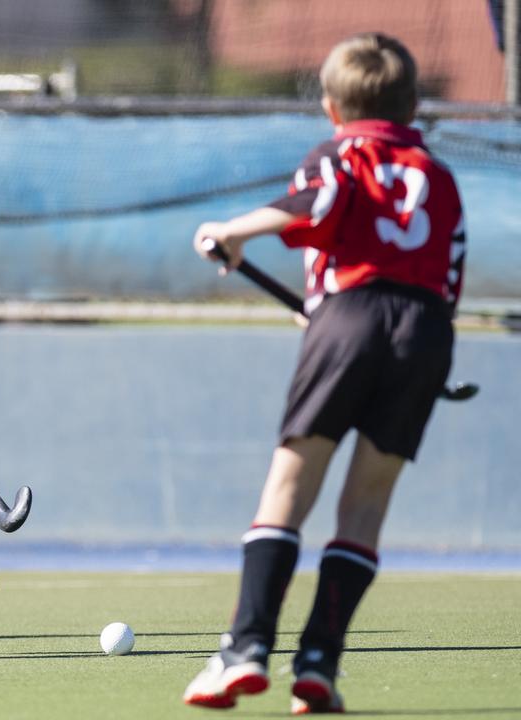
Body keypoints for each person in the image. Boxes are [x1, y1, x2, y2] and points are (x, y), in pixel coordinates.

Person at [181, 33, 465, 713]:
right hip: (426, 332)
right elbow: (436, 278)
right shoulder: (443, 176)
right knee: (365, 507)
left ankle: (244, 649)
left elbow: (316, 198)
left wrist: (234, 230)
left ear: (333, 109)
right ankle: (318, 666)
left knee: (288, 487)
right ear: (415, 104)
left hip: (349, 320)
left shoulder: (343, 151)